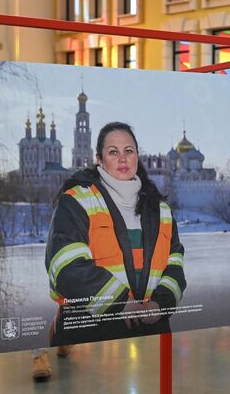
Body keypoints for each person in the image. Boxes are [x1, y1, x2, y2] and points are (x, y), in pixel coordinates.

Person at [34, 122, 187, 378]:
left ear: (138, 156)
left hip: (151, 335)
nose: (123, 158)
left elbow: (175, 263)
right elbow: (65, 266)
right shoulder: (78, 200)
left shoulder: (160, 209)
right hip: (93, 339)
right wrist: (120, 304)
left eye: (129, 150)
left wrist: (159, 304)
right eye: (113, 152)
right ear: (99, 160)